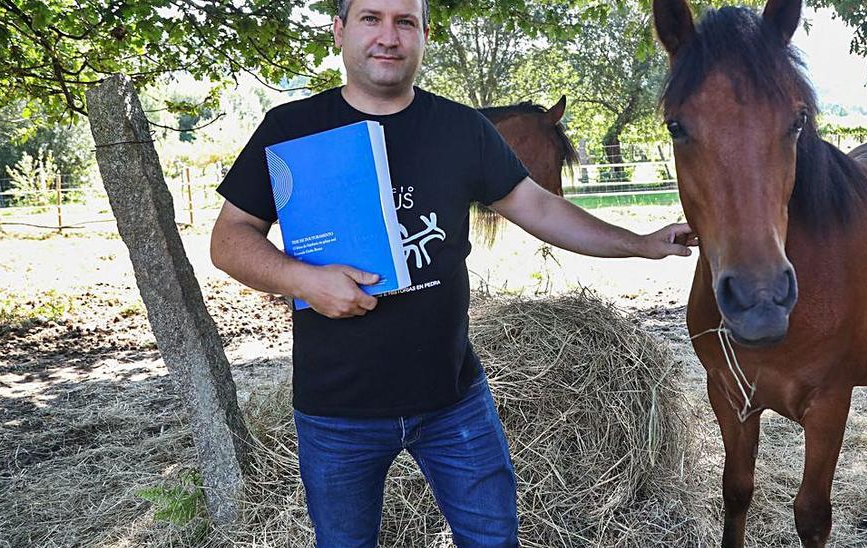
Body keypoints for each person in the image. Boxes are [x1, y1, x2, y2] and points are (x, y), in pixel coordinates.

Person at [209, 0, 695, 546]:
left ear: (423, 35)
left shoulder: (461, 129)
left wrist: (641, 243)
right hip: (336, 412)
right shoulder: (291, 129)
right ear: (340, 30)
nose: (388, 37)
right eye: (371, 19)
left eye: (405, 22)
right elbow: (229, 240)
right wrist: (303, 280)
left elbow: (541, 209)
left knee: (493, 540)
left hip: (453, 401)